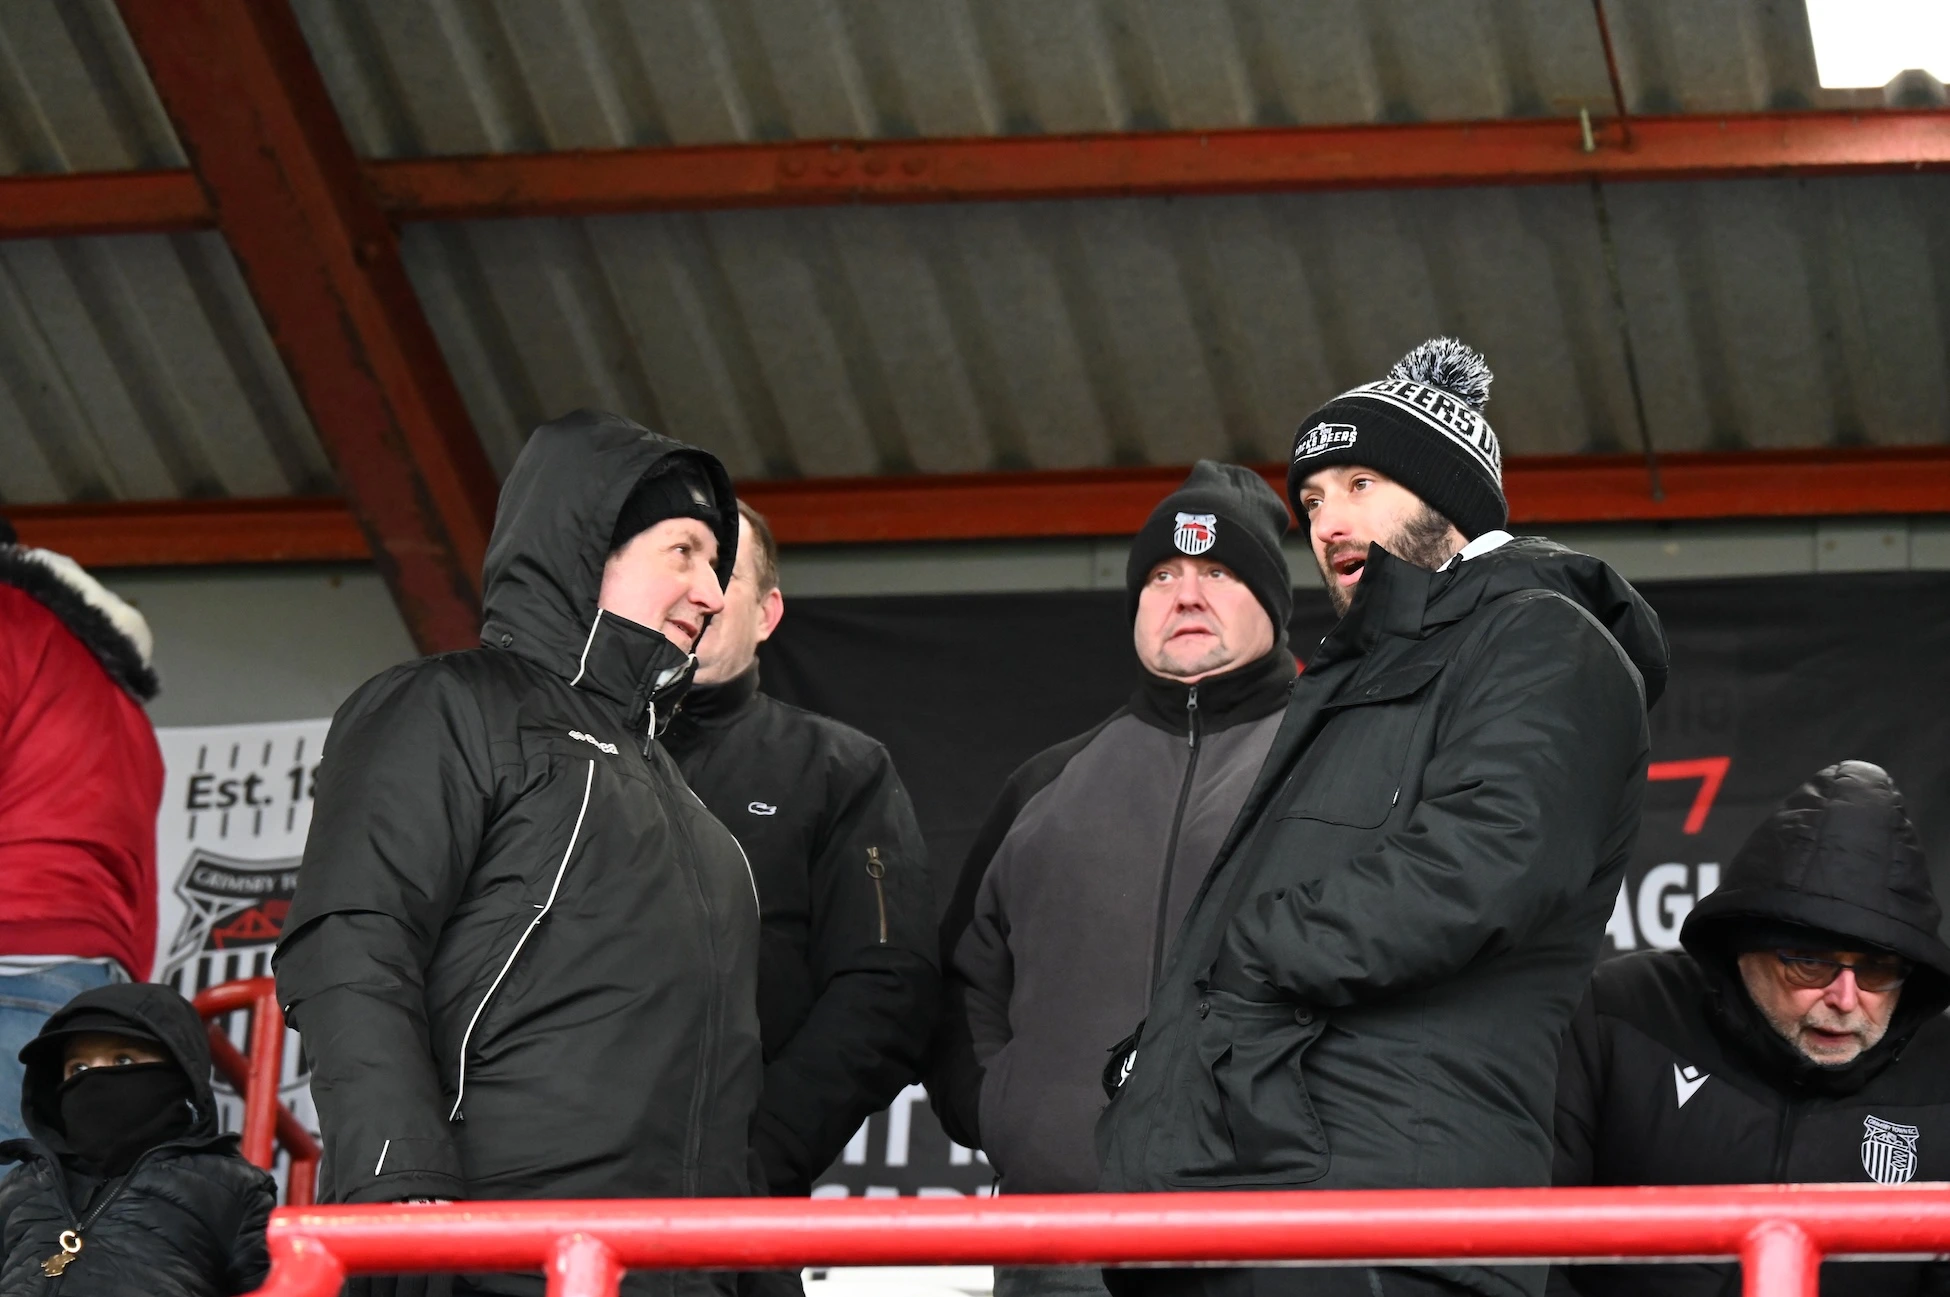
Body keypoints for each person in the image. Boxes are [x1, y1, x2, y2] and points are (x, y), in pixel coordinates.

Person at [1095, 340, 1669, 1297]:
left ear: (1450, 497)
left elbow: (1484, 864)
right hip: (1266, 1200)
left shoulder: (1542, 634)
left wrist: (1248, 956)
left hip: (1384, 1213)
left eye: (1363, 484)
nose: (1330, 521)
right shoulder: (1360, 669)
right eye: (1314, 498)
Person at [274, 410, 762, 1297]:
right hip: (489, 1255)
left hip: (674, 1271)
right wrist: (401, 1183)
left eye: (718, 566)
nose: (712, 594)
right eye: (684, 553)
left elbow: (719, 1086)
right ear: (588, 550)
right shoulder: (451, 704)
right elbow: (353, 940)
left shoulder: (700, 819)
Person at [932, 460, 1299, 1297]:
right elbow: (960, 980)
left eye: (1219, 571)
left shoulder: (1339, 769)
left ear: (1273, 603)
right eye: (1162, 575)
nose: (1186, 594)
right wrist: (1003, 1110)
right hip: (1061, 1245)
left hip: (1281, 1242)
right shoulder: (1046, 785)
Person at [1550, 761, 1950, 1297]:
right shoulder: (1621, 1013)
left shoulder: (1942, 1070)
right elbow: (1526, 1251)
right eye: (1810, 965)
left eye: (1877, 971)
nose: (1844, 999)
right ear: (1743, 947)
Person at [663, 502, 938, 1212]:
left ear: (767, 613)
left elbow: (886, 985)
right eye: (678, 561)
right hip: (537, 1193)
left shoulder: (839, 767)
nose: (698, 590)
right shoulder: (559, 756)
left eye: (723, 572)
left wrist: (765, 1149)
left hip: (735, 1206)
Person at [0, 520, 163, 1142]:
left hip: (11, 965)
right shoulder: (125, 711)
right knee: (38, 1200)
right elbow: (139, 893)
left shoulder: (9, 621)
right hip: (89, 994)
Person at [0, 982, 274, 1295]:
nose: (93, 1079)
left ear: (179, 1072)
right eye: (78, 1067)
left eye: (123, 1060)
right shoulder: (22, 1185)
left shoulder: (233, 1189)